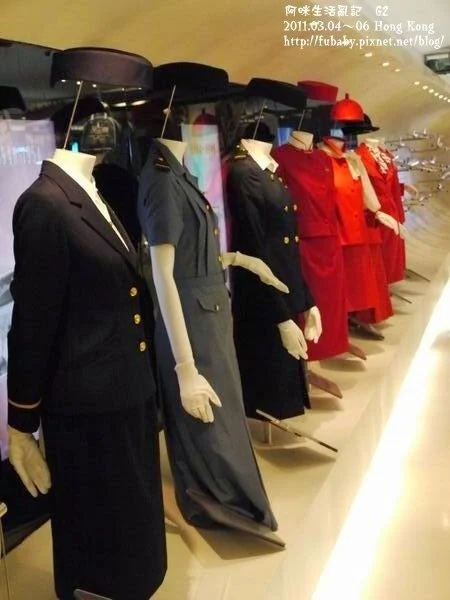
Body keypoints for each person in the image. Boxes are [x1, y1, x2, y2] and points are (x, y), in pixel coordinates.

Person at [7, 148, 166, 600]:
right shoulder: (44, 204)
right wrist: (21, 424)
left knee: (131, 532)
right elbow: (33, 323)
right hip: (87, 407)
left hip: (124, 392)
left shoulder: (90, 193)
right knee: (102, 540)